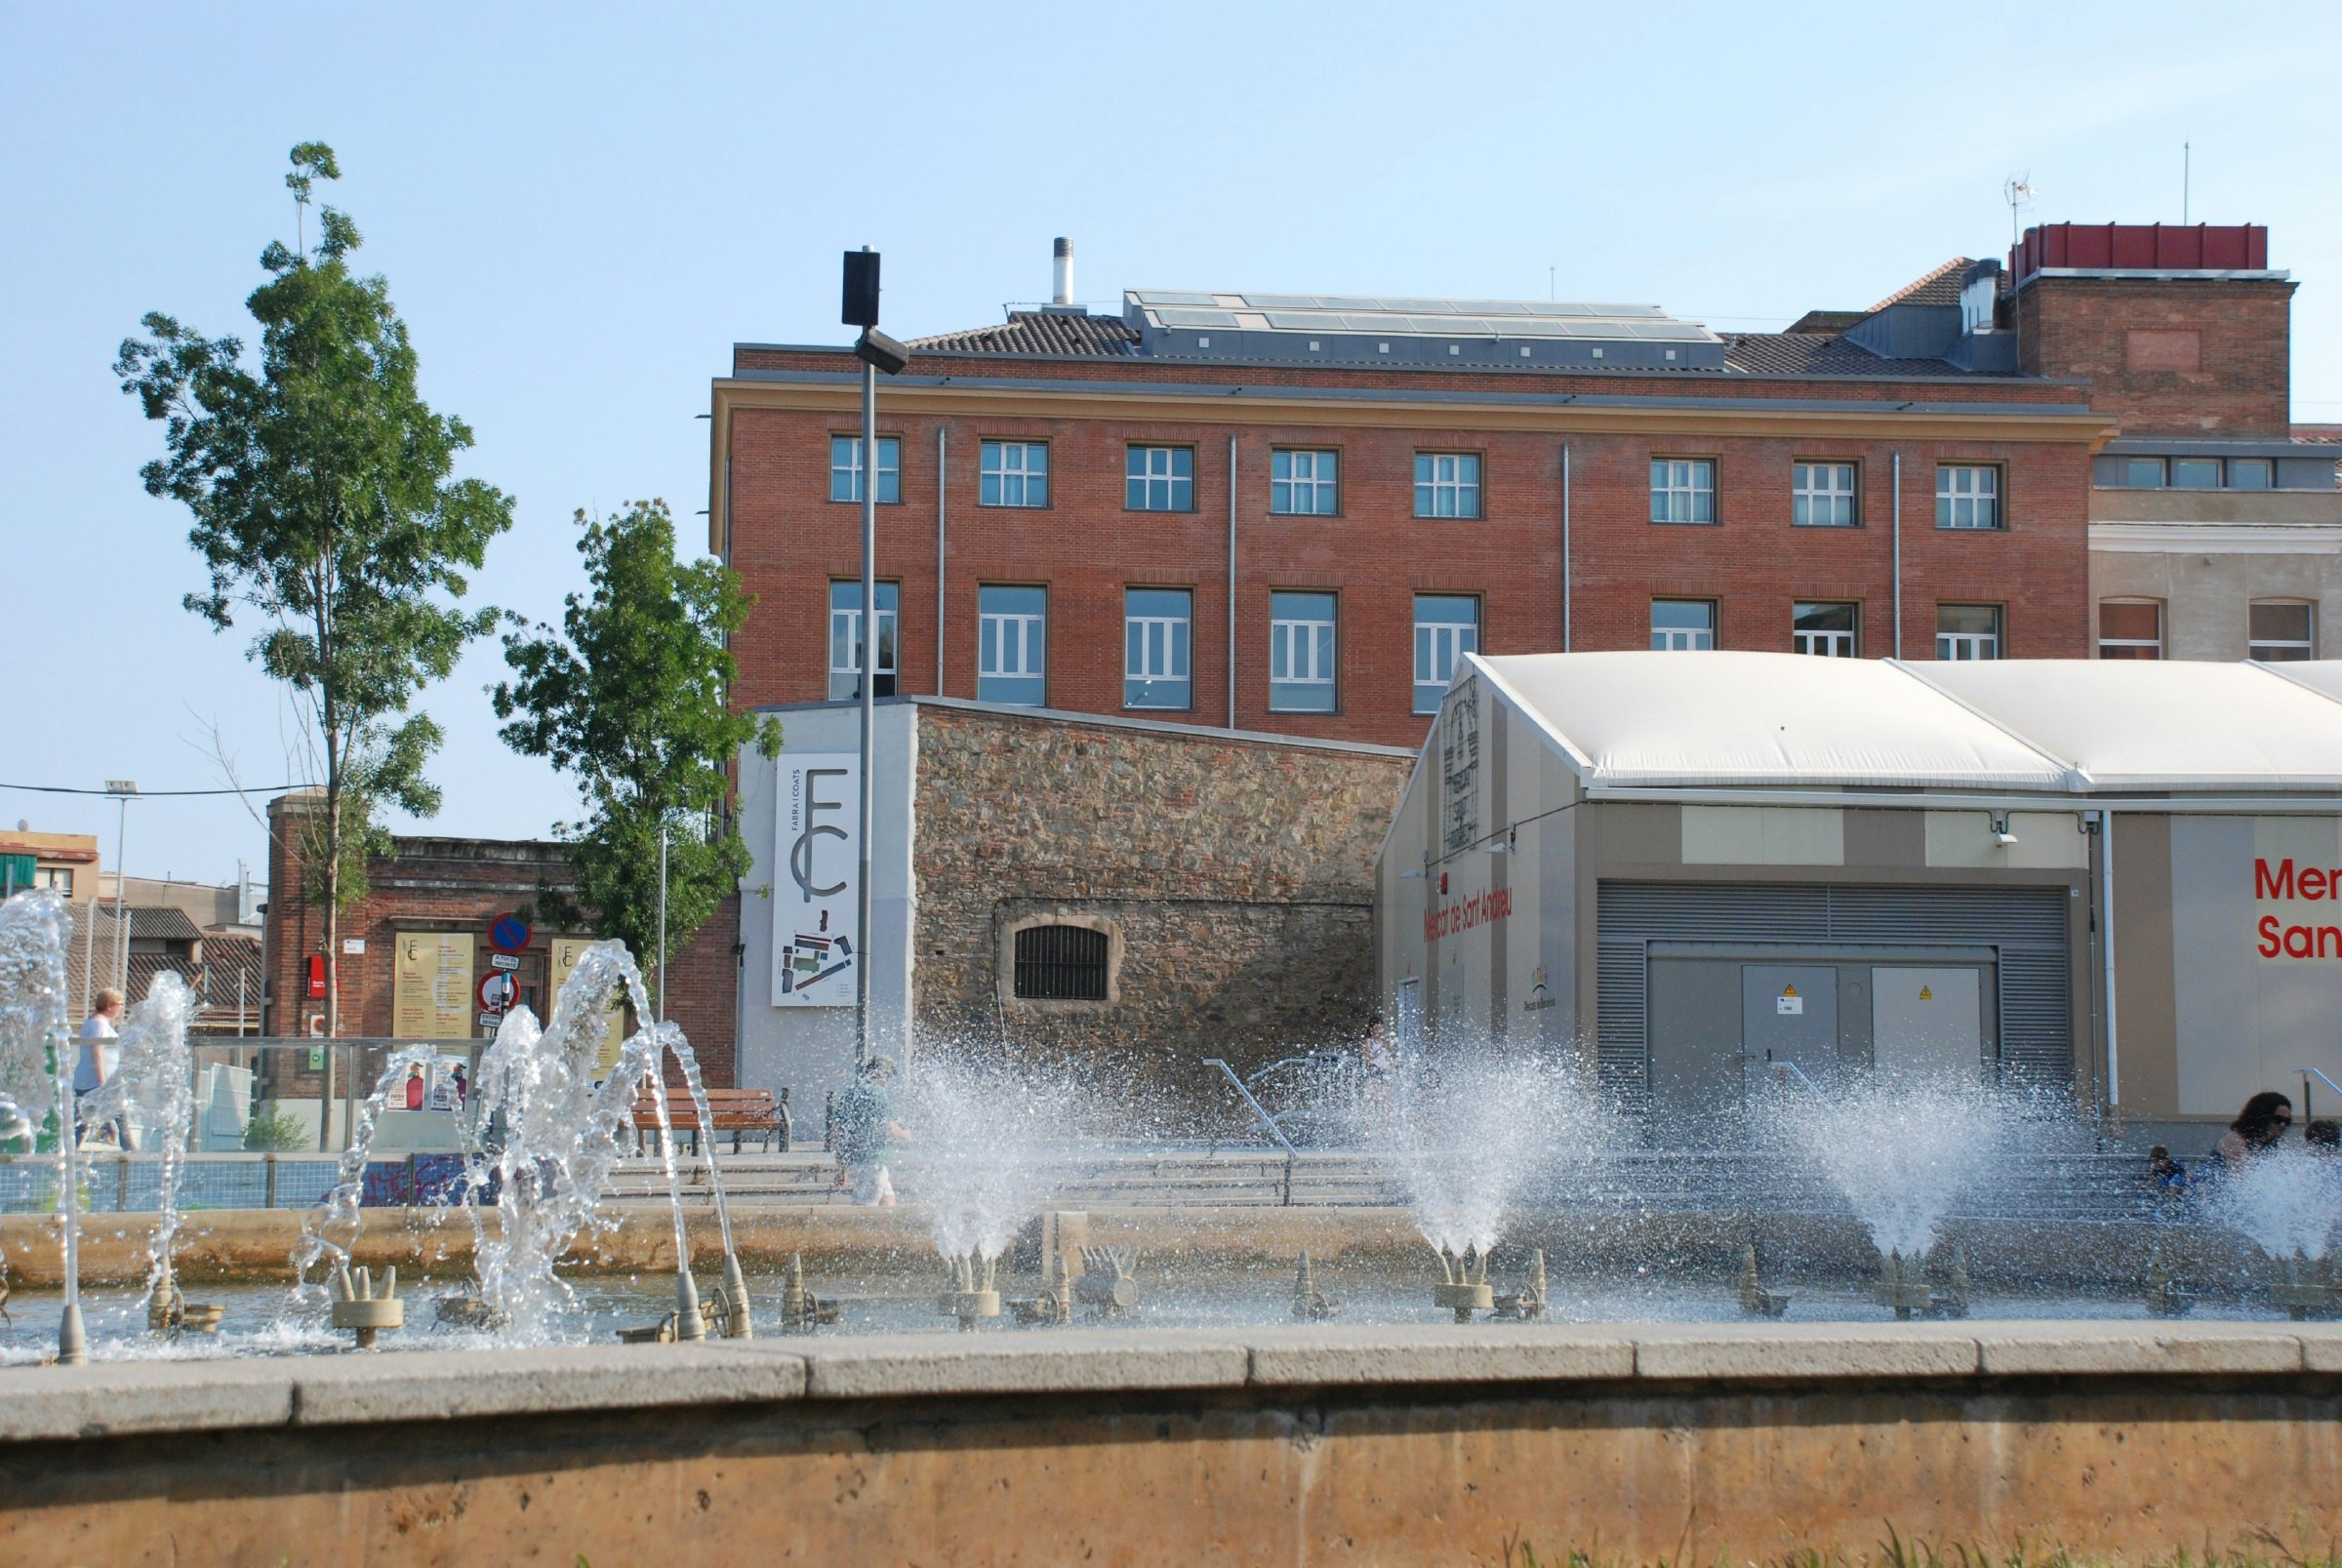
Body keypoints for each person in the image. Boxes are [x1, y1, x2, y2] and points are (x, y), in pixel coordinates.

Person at [833, 1056, 908, 1207]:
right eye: (888, 1076)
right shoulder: (878, 1094)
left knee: (889, 1202)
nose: (888, 1081)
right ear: (880, 1073)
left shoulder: (852, 1093)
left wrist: (841, 1167)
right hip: (874, 1162)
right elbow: (891, 1129)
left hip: (858, 1160)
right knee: (865, 1212)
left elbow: (838, 1132)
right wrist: (907, 1134)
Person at [74, 988, 127, 1149]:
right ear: (109, 1005)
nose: (121, 1008)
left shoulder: (93, 1022)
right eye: (119, 1004)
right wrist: (104, 1086)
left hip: (88, 1080)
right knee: (121, 1120)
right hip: (98, 1081)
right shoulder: (99, 1024)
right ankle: (131, 1155)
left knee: (82, 1122)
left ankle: (70, 1152)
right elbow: (96, 1053)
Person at [2216, 1091, 2293, 1171]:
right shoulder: (2236, 1141)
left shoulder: (2268, 1145)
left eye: (2287, 1121)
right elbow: (2240, 1178)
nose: (2282, 1125)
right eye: (2277, 1119)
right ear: (2261, 1117)